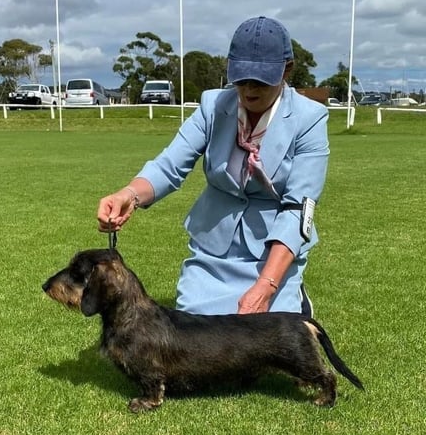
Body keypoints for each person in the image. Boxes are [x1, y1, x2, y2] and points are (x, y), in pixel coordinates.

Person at [97, 16, 329, 316]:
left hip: (274, 254)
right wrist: (128, 194)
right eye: (241, 78)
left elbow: (299, 208)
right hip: (213, 248)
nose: (248, 90)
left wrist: (267, 286)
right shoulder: (213, 106)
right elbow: (169, 166)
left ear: (286, 69)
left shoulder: (310, 119)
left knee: (265, 341)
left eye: (260, 80)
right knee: (199, 342)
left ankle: (291, 295)